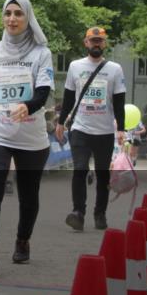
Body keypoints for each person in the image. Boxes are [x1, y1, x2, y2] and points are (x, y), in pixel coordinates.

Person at [0, 0, 54, 275]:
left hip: (31, 133)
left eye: (18, 14)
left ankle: (23, 240)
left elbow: (43, 92)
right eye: (7, 13)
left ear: (28, 18)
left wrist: (26, 106)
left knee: (28, 195)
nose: (12, 19)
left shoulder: (41, 53)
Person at [55, 26, 126, 232]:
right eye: (92, 40)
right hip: (80, 128)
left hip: (104, 131)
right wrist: (60, 122)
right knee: (80, 168)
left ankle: (100, 213)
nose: (96, 44)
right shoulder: (75, 66)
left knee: (102, 174)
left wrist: (121, 128)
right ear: (86, 43)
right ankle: (78, 212)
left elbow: (119, 101)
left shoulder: (115, 69)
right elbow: (68, 97)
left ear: (104, 43)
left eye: (100, 41)